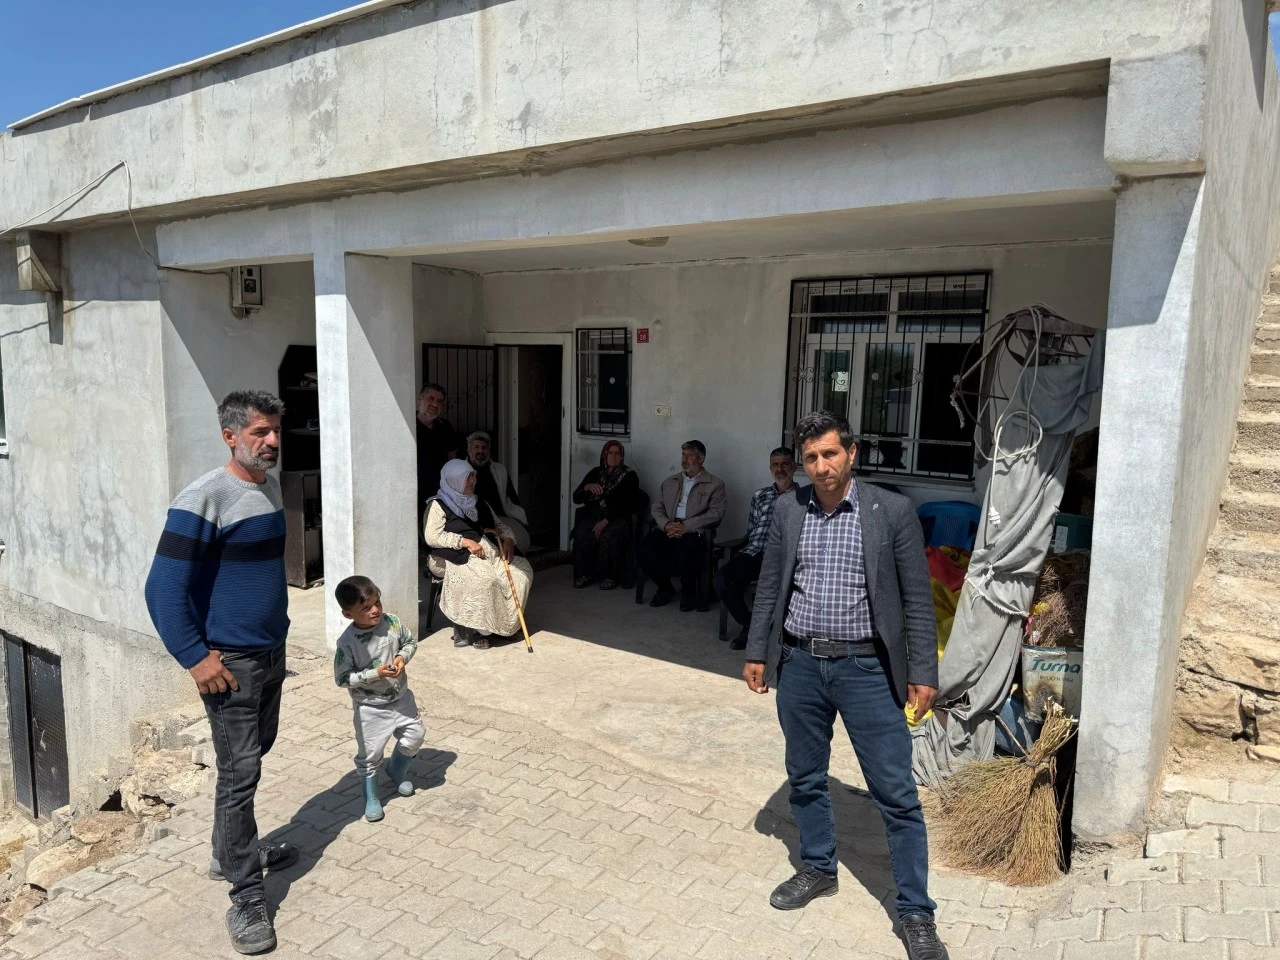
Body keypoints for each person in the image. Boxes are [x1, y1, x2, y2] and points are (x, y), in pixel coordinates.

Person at [742, 411, 947, 960]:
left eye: (830, 454)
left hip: (867, 670)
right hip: (801, 665)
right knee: (805, 776)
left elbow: (917, 599)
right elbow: (770, 586)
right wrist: (757, 651)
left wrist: (923, 672)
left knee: (896, 794)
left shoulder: (891, 510)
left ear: (851, 453)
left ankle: (916, 911)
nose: (820, 466)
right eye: (810, 458)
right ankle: (818, 867)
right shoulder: (789, 509)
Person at [144, 390, 298, 956]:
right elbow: (161, 589)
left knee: (254, 753)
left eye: (275, 430)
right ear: (230, 436)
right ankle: (246, 894)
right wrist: (194, 656)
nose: (272, 441)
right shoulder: (203, 498)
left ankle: (228, 852)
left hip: (271, 653)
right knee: (240, 775)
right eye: (259, 432)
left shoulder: (270, 487)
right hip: (229, 665)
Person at [333, 575, 425, 823]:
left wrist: (402, 658)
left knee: (416, 735)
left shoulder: (392, 622)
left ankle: (396, 769)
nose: (375, 610)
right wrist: (376, 673)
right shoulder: (347, 642)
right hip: (370, 709)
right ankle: (372, 797)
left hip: (401, 698)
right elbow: (342, 678)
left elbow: (409, 642)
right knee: (370, 754)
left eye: (377, 603)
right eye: (365, 608)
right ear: (348, 614)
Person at [425, 459, 534, 650]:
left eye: (474, 477)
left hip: (488, 552)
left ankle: (504, 626)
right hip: (455, 554)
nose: (473, 481)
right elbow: (432, 536)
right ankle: (479, 631)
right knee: (485, 580)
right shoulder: (438, 504)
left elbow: (500, 526)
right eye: (468, 478)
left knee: (521, 574)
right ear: (454, 480)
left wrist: (509, 539)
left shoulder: (478, 501)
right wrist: (464, 542)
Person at [715, 447, 796, 650]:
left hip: (783, 556)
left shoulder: (803, 497)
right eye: (775, 464)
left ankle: (774, 631)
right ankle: (750, 625)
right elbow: (751, 530)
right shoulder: (760, 495)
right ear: (770, 468)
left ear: (794, 467)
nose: (779, 469)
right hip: (755, 553)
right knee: (722, 579)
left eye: (785, 464)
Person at [639, 440, 727, 612]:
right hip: (669, 527)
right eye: (683, 455)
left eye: (690, 456)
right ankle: (665, 587)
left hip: (694, 530)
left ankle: (689, 591)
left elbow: (716, 512)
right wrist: (666, 525)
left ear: (701, 459)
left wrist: (686, 526)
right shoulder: (670, 481)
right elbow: (657, 507)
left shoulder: (715, 484)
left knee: (687, 551)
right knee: (644, 550)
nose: (684, 460)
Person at [571, 440, 641, 590]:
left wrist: (605, 521)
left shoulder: (629, 476)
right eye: (610, 453)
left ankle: (610, 576)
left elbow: (627, 504)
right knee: (582, 532)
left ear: (622, 457)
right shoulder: (596, 473)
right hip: (596, 515)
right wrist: (587, 487)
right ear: (604, 455)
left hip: (618, 517)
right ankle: (585, 574)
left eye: (617, 453)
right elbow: (576, 498)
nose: (613, 456)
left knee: (609, 535)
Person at [466, 431, 531, 555]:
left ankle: (512, 560)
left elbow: (511, 496)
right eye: (476, 447)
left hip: (500, 517)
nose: (480, 451)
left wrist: (518, 515)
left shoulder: (499, 470)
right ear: (469, 450)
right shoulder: (461, 470)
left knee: (522, 540)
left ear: (489, 450)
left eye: (484, 448)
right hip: (474, 519)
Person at [416, 382, 460, 538]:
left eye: (440, 401)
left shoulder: (445, 426)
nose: (435, 404)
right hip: (415, 490)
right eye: (431, 398)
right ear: (420, 399)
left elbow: (452, 457)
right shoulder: (408, 424)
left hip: (440, 491)